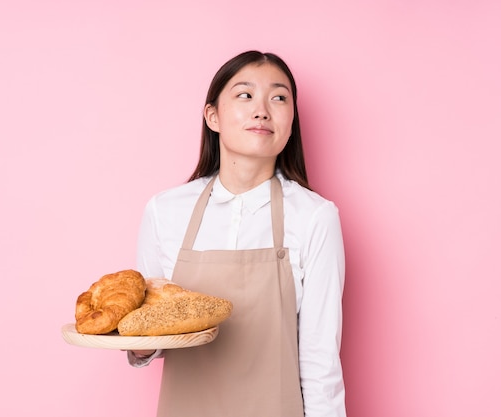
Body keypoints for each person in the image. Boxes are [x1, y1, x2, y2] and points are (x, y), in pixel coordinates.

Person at [128, 50, 346, 417]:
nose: (262, 109)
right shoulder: (165, 211)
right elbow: (151, 336)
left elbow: (320, 360)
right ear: (213, 116)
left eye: (279, 98)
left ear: (292, 121)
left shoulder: (314, 217)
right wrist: (138, 344)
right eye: (245, 95)